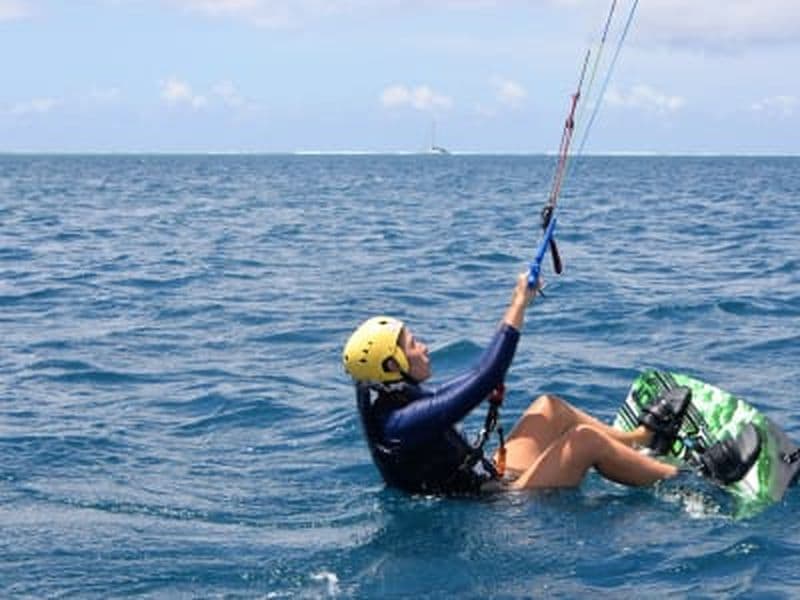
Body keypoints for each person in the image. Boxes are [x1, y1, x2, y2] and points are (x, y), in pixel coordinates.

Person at [342, 272, 697, 495]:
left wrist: (486, 385)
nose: (424, 348)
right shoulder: (399, 423)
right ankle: (688, 481)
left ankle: (641, 440)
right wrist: (518, 302)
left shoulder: (391, 390)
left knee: (549, 408)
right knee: (584, 442)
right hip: (500, 504)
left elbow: (471, 384)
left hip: (493, 472)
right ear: (392, 364)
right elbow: (485, 376)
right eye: (413, 345)